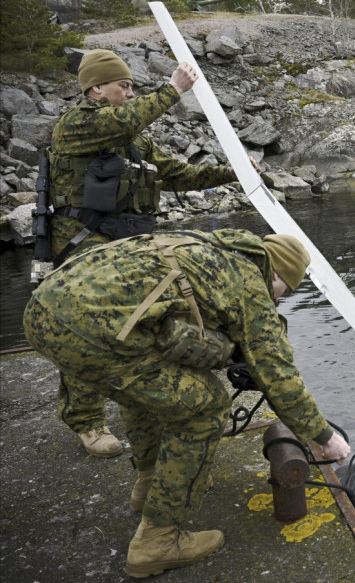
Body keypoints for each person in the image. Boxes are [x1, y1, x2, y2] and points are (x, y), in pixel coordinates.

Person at [23, 229, 351, 577]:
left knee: (145, 388)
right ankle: (158, 542)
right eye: (286, 290)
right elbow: (278, 373)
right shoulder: (252, 284)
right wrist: (324, 436)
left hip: (42, 311)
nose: (279, 299)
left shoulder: (205, 245)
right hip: (89, 332)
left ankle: (151, 482)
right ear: (277, 275)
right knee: (206, 407)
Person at [45, 49, 238, 458]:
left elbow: (177, 174)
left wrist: (231, 172)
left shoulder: (134, 142)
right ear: (97, 89)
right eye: (124, 86)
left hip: (126, 243)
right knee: (82, 329)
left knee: (143, 323)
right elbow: (124, 120)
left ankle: (147, 404)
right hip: (82, 244)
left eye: (133, 86)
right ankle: (87, 421)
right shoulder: (77, 124)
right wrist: (173, 89)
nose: (131, 94)